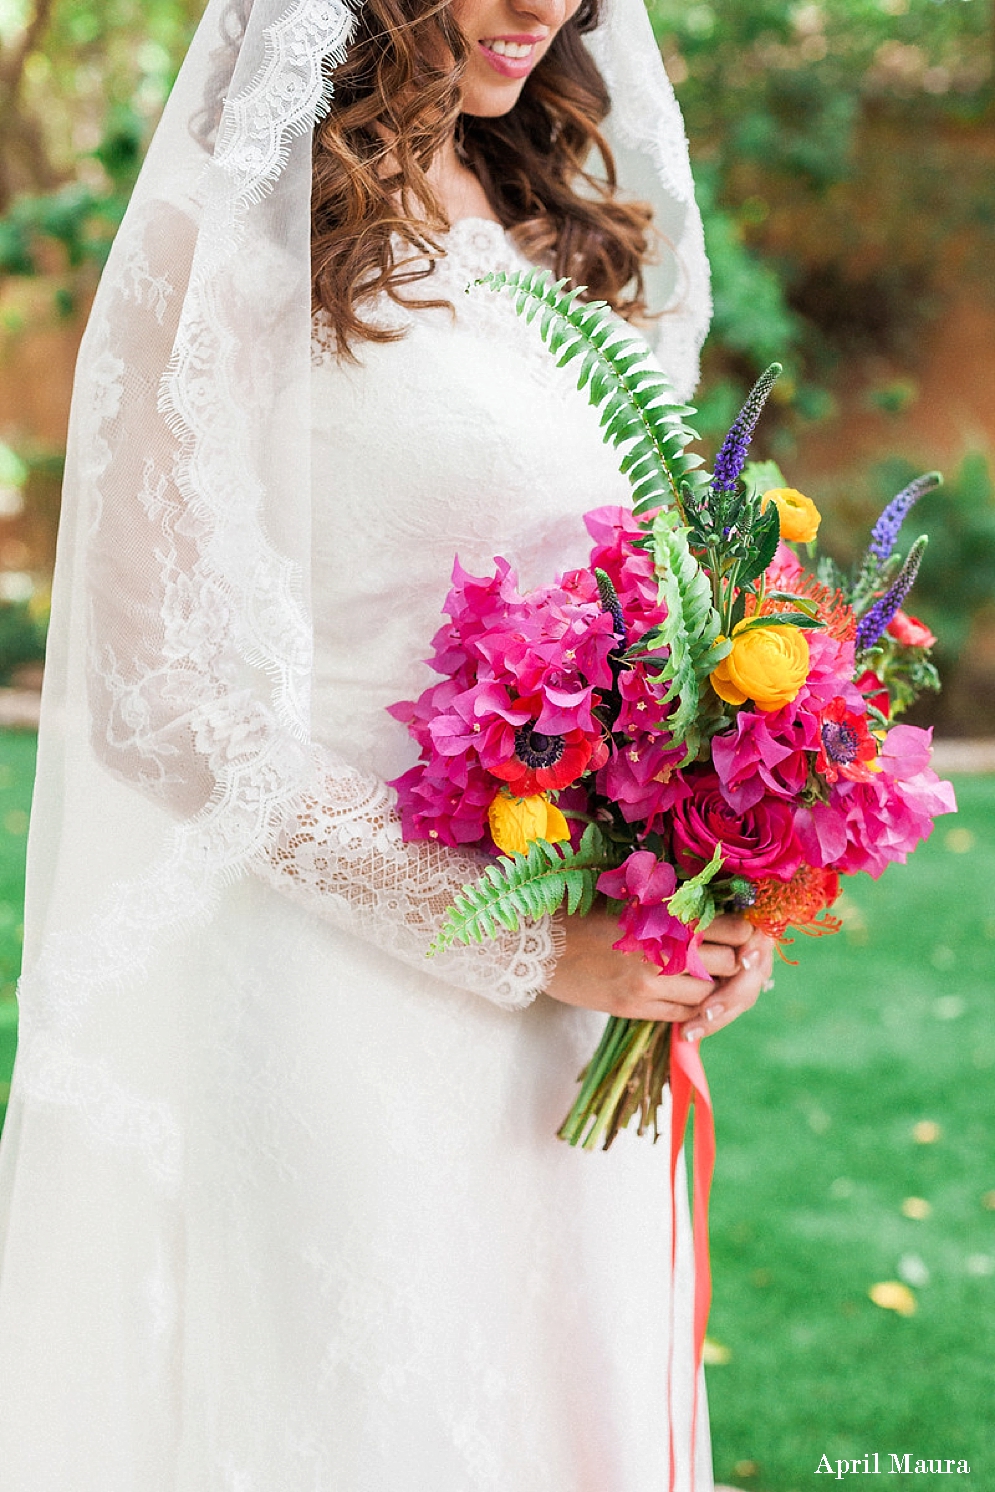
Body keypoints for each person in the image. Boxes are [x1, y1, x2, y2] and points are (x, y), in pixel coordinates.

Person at [0, 0, 773, 1487]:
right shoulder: (223, 245)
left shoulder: (568, 229)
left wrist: (724, 876)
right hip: (335, 1005)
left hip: (574, 1000)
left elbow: (664, 590)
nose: (544, 7)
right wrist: (518, 946)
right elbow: (161, 689)